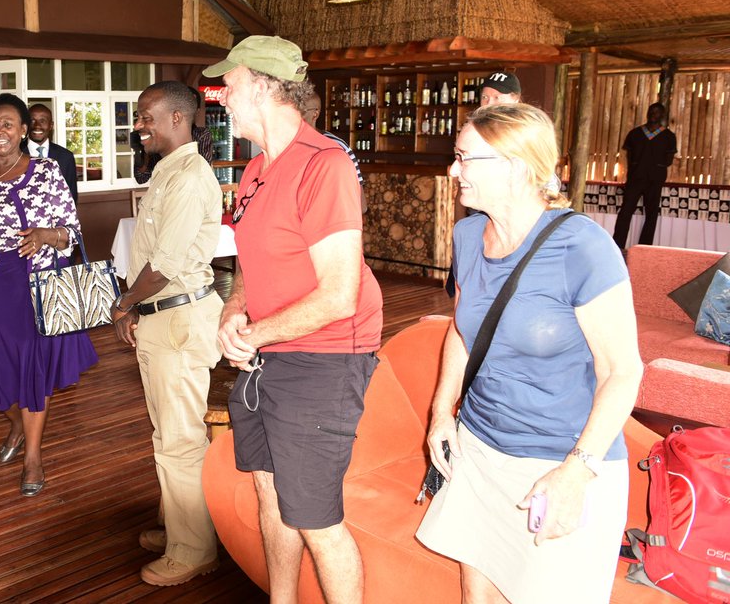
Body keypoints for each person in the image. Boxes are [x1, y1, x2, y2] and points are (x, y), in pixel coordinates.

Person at [416, 103, 642, 603]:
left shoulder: (583, 247)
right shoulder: (468, 235)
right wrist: (440, 414)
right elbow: (463, 330)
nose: (452, 171)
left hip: (558, 463)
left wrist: (576, 471)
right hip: (478, 454)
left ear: (516, 167)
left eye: (464, 158)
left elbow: (622, 371)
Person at [208, 36, 383, 603]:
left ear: (261, 85)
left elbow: (339, 295)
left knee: (313, 515)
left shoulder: (324, 165)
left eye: (228, 86)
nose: (221, 98)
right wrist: (235, 310)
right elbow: (252, 265)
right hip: (269, 355)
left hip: (325, 357)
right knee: (268, 491)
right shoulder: (258, 168)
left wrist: (254, 334)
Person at [0, 94, 98, 497]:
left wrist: (46, 235)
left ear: (24, 131)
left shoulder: (46, 172)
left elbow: (73, 230)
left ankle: (33, 456)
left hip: (34, 282)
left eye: (9, 124)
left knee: (31, 372)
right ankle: (15, 422)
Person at [110, 81, 223, 587]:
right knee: (166, 434)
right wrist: (136, 310)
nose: (139, 127)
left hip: (177, 317)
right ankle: (183, 525)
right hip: (161, 317)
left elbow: (164, 264)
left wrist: (125, 303)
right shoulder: (167, 171)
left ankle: (194, 548)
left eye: (145, 117)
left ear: (178, 118)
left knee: (180, 441)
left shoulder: (190, 177)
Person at [612, 102, 677, 249]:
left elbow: (669, 160)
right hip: (635, 179)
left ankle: (644, 248)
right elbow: (629, 157)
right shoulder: (635, 134)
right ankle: (617, 246)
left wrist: (654, 167)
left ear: (662, 115)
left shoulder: (668, 137)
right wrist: (636, 169)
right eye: (651, 111)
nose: (653, 114)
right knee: (625, 212)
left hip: (655, 180)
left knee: (651, 214)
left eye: (657, 112)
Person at [27, 103, 78, 202]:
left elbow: (71, 197)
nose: (37, 126)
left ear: (51, 125)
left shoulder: (66, 157)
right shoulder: (15, 155)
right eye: (32, 121)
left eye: (42, 121)